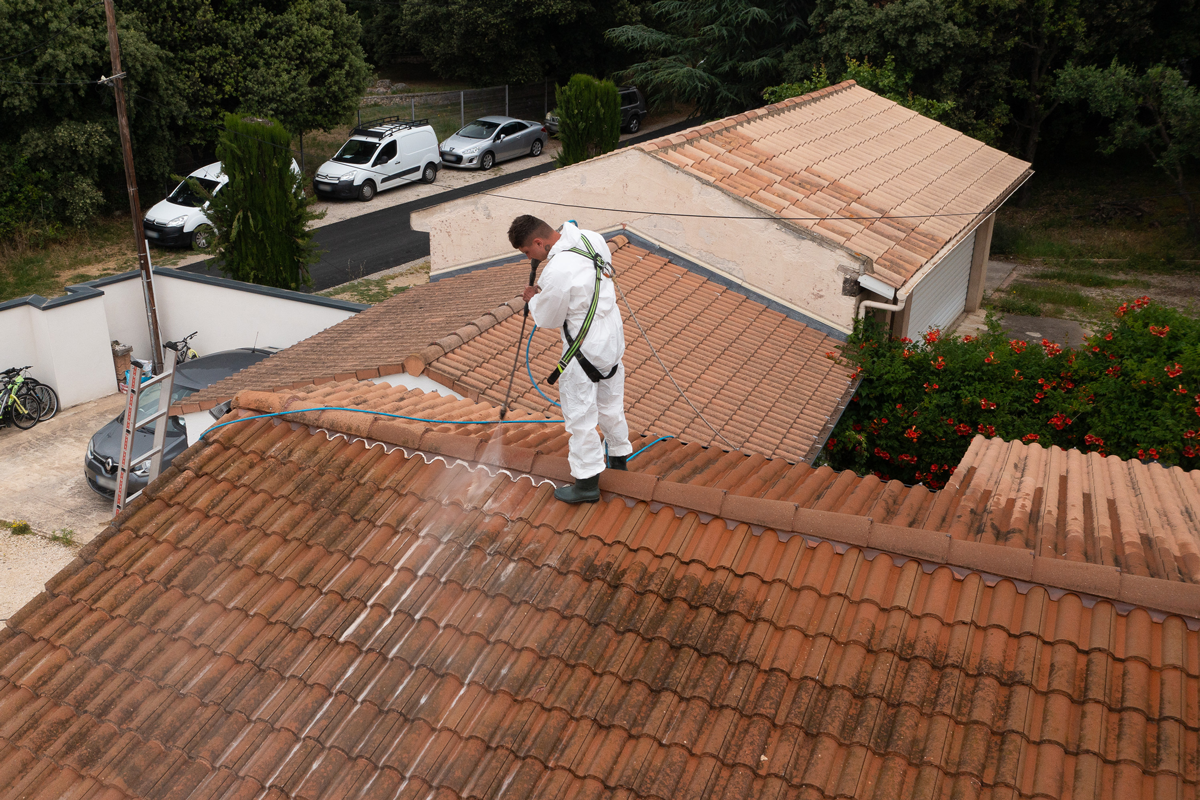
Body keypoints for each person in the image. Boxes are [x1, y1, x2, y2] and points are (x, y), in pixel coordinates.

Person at [508, 215, 632, 503]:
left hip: (584, 348)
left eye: (527, 251)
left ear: (539, 242)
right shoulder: (592, 238)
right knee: (611, 404)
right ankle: (618, 460)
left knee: (580, 416)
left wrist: (533, 298)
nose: (529, 258)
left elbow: (549, 318)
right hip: (612, 338)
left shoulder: (557, 270)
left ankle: (587, 484)